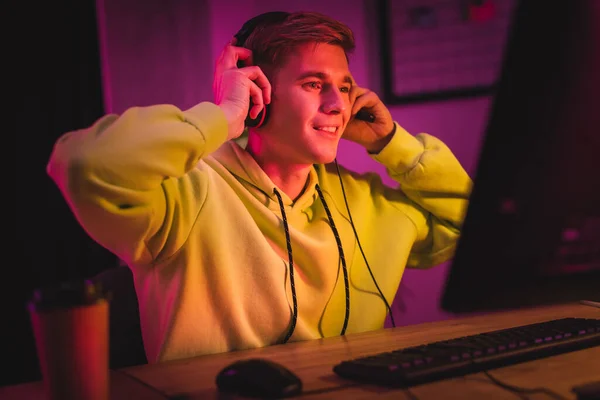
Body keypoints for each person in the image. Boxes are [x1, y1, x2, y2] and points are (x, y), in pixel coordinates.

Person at [47, 11, 472, 364]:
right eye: (313, 84)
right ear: (259, 96)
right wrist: (223, 115)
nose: (338, 104)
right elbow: (85, 166)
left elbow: (473, 226)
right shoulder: (189, 191)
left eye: (344, 87)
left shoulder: (365, 202)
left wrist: (391, 143)